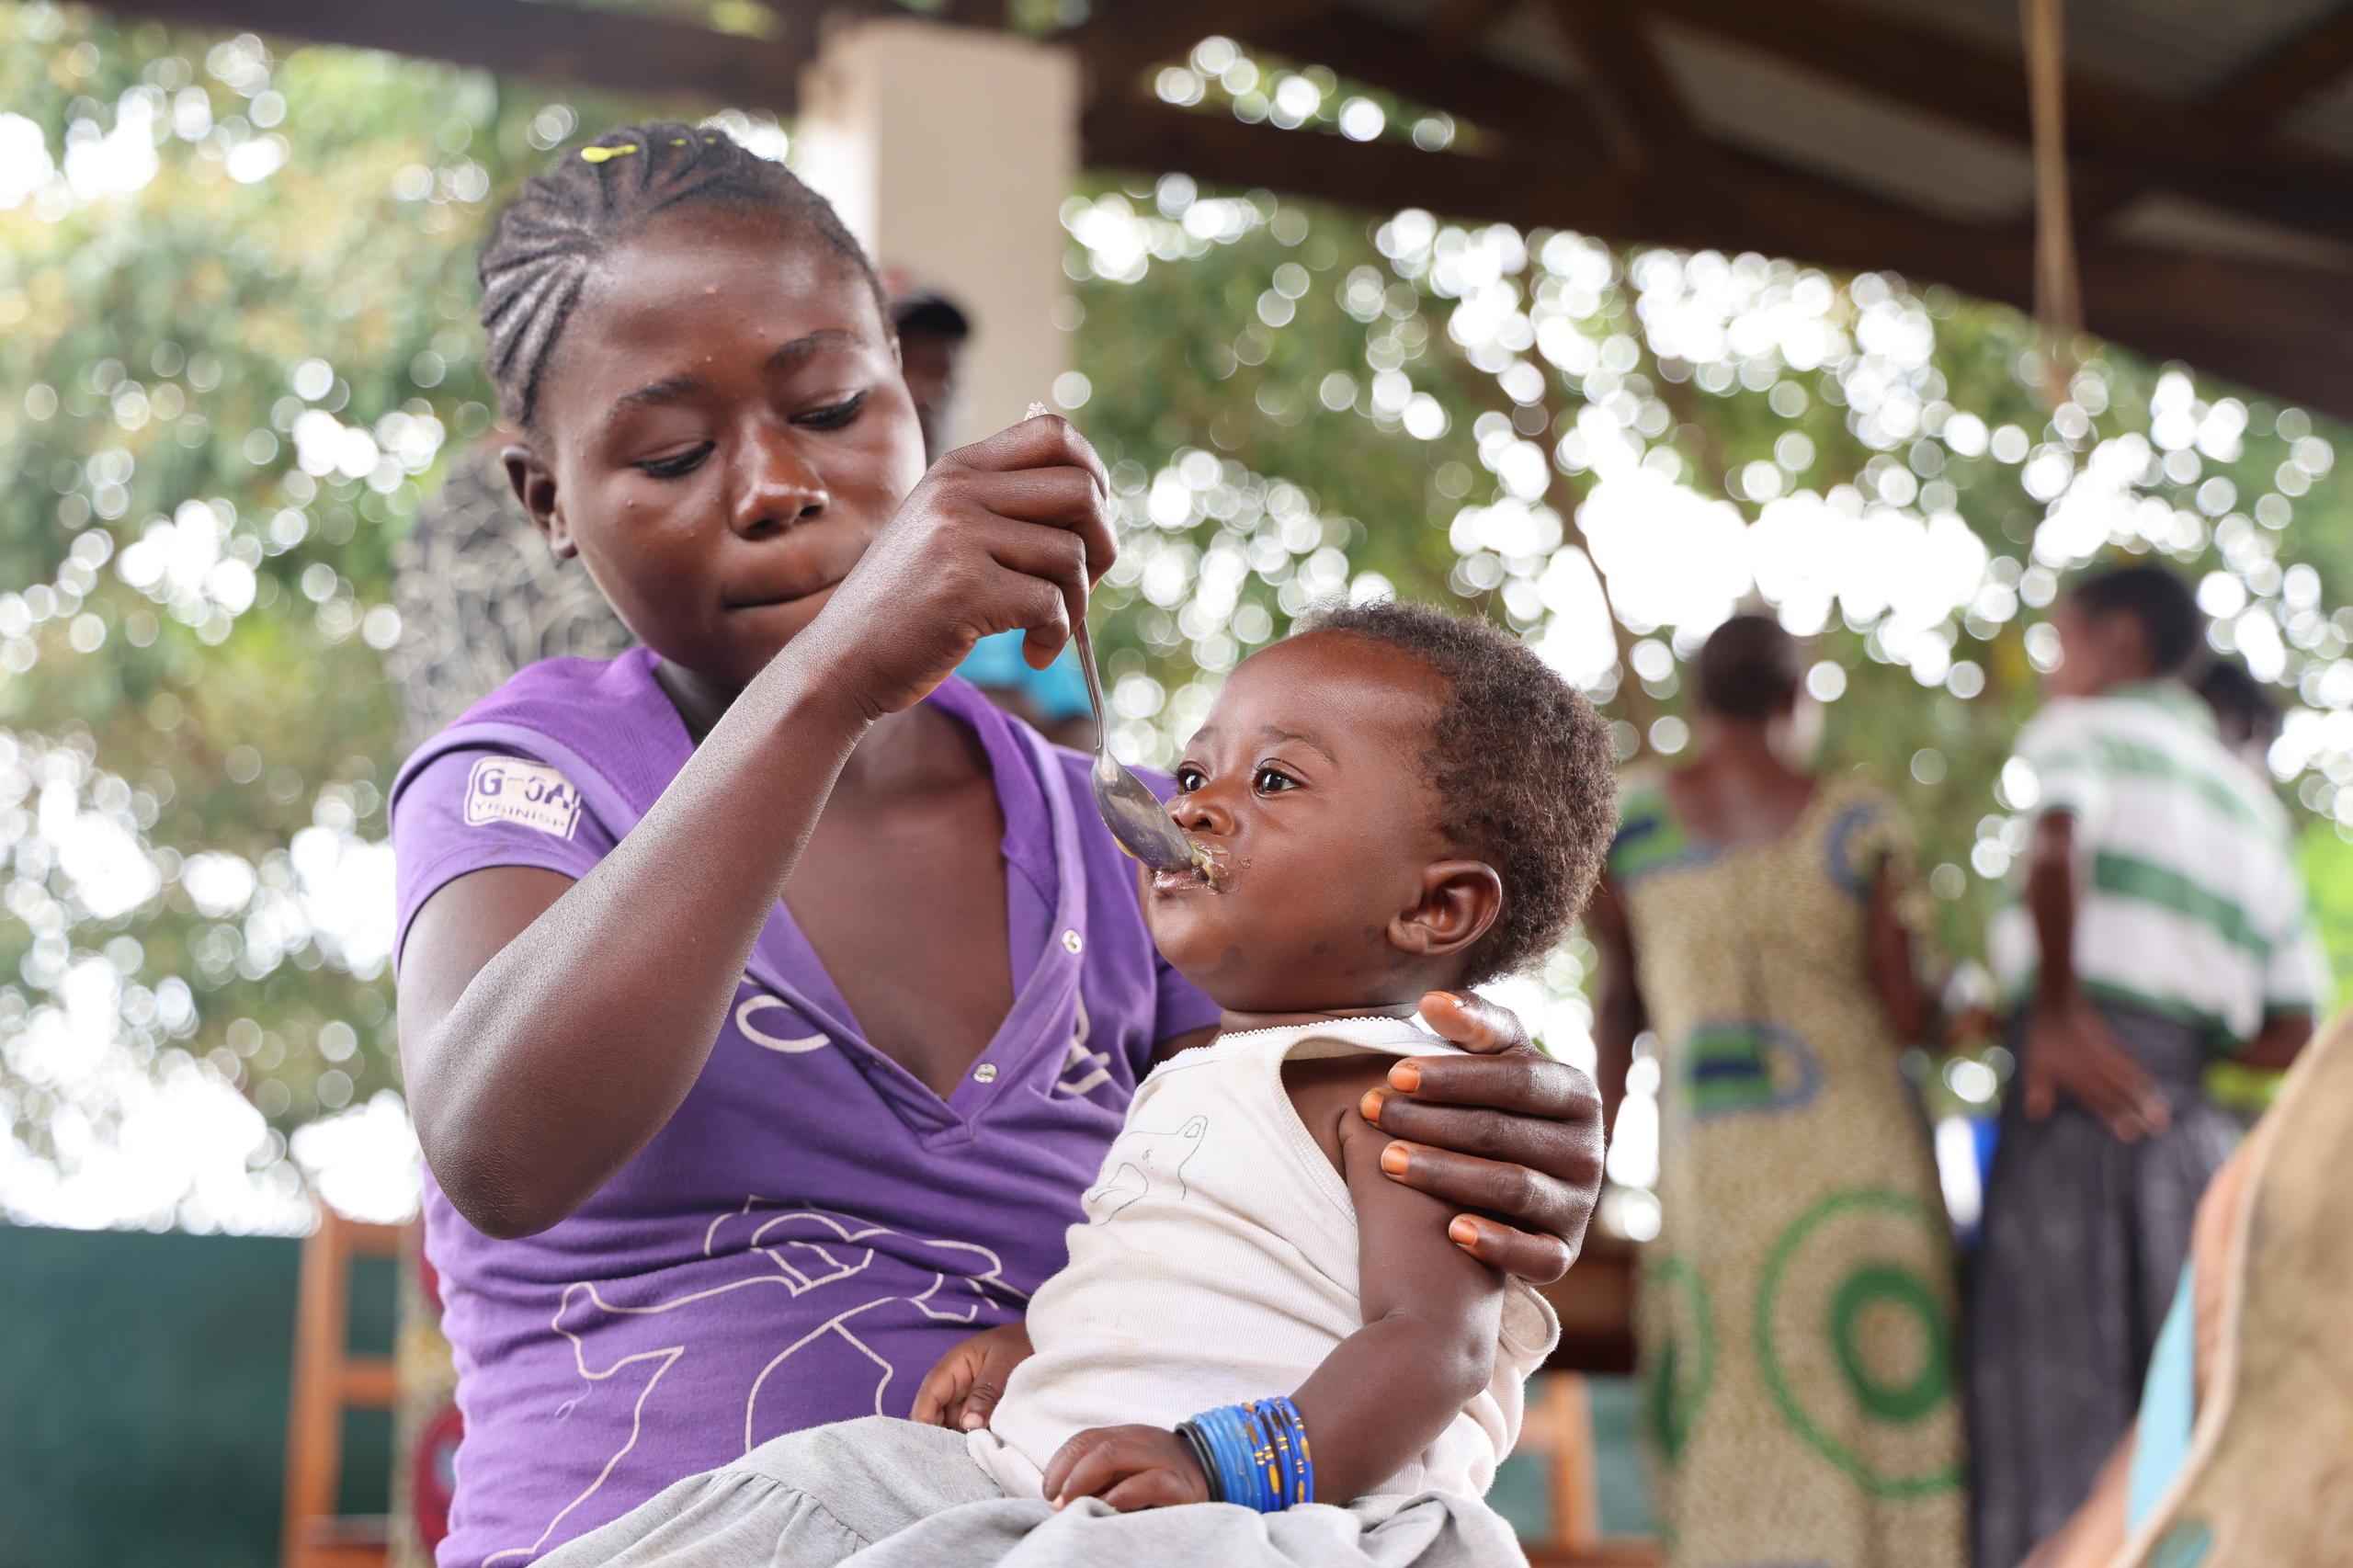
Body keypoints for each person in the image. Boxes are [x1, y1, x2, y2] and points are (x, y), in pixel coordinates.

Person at [391, 124, 1607, 1568]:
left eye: (834, 406)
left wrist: (1485, 1123)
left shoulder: (1142, 853)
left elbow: (1313, 1139)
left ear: (912, 401)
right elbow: (497, 1146)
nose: (774, 483)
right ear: (550, 505)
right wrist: (832, 682)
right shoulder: (533, 777)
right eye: (670, 451)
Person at [534, 600, 1618, 1565]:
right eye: (1194, 773)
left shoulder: (1405, 1096)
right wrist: (1049, 1353)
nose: (1192, 805)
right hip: (1059, 1481)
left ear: (1436, 910)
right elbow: (1184, 1283)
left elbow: (1432, 1346)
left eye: (1274, 780)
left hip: (1276, 1513)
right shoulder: (1204, 1074)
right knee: (819, 1480)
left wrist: (1218, 1464)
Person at [1586, 613, 1966, 1568]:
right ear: (1796, 699)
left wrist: (1585, 1171)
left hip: (1717, 1183)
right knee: (1879, 1406)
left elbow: (1618, 1010)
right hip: (1860, 1168)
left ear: (1699, 701)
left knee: (1729, 1408)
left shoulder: (1629, 823)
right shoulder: (1856, 818)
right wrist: (1962, 997)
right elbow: (1908, 1009)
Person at [1972, 562, 2326, 1568]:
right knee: (2186, 1426)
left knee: (2053, 1422)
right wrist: (2176, 1071)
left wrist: (2061, 1013)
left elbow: (2052, 843)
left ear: (2117, 640)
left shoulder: (2090, 729)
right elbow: (2299, 1023)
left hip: (2070, 1120)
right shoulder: (2245, 799)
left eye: (2060, 642)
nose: (2054, 670)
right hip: (2192, 1147)